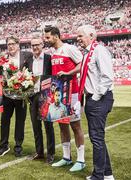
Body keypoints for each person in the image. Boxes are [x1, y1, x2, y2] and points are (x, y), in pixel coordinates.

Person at [44, 26, 86, 172]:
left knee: (75, 125)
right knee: (62, 125)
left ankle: (81, 160)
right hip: (59, 94)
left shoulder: (69, 48)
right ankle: (66, 158)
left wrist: (68, 72)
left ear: (56, 36)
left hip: (72, 93)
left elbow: (82, 65)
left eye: (48, 37)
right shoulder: (53, 52)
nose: (46, 39)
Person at [76, 25, 115, 180]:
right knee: (97, 137)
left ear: (91, 35)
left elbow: (107, 76)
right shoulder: (87, 53)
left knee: (96, 138)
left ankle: (98, 176)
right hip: (91, 98)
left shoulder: (99, 50)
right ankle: (107, 174)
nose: (77, 38)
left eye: (80, 35)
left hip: (99, 98)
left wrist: (95, 97)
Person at [0, 36, 33, 157]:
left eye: (13, 44)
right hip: (7, 95)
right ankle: (3, 146)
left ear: (18, 45)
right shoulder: (3, 58)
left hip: (21, 95)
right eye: (8, 44)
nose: (10, 46)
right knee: (4, 121)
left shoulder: (27, 56)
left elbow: (31, 73)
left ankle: (18, 147)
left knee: (20, 122)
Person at [24, 35, 55, 164]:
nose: (35, 47)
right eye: (33, 45)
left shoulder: (49, 59)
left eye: (38, 44)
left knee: (48, 125)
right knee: (36, 126)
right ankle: (40, 152)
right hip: (33, 96)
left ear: (42, 45)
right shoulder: (28, 60)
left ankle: (51, 154)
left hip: (45, 96)